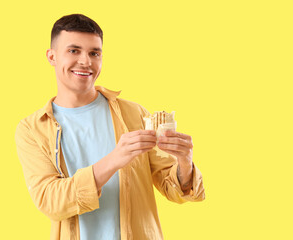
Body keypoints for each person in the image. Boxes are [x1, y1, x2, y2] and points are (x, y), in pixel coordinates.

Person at [15, 13, 205, 240]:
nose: (86, 61)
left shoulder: (135, 114)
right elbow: (49, 201)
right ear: (51, 56)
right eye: (74, 50)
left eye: (94, 53)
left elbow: (172, 188)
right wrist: (114, 159)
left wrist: (185, 162)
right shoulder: (32, 130)